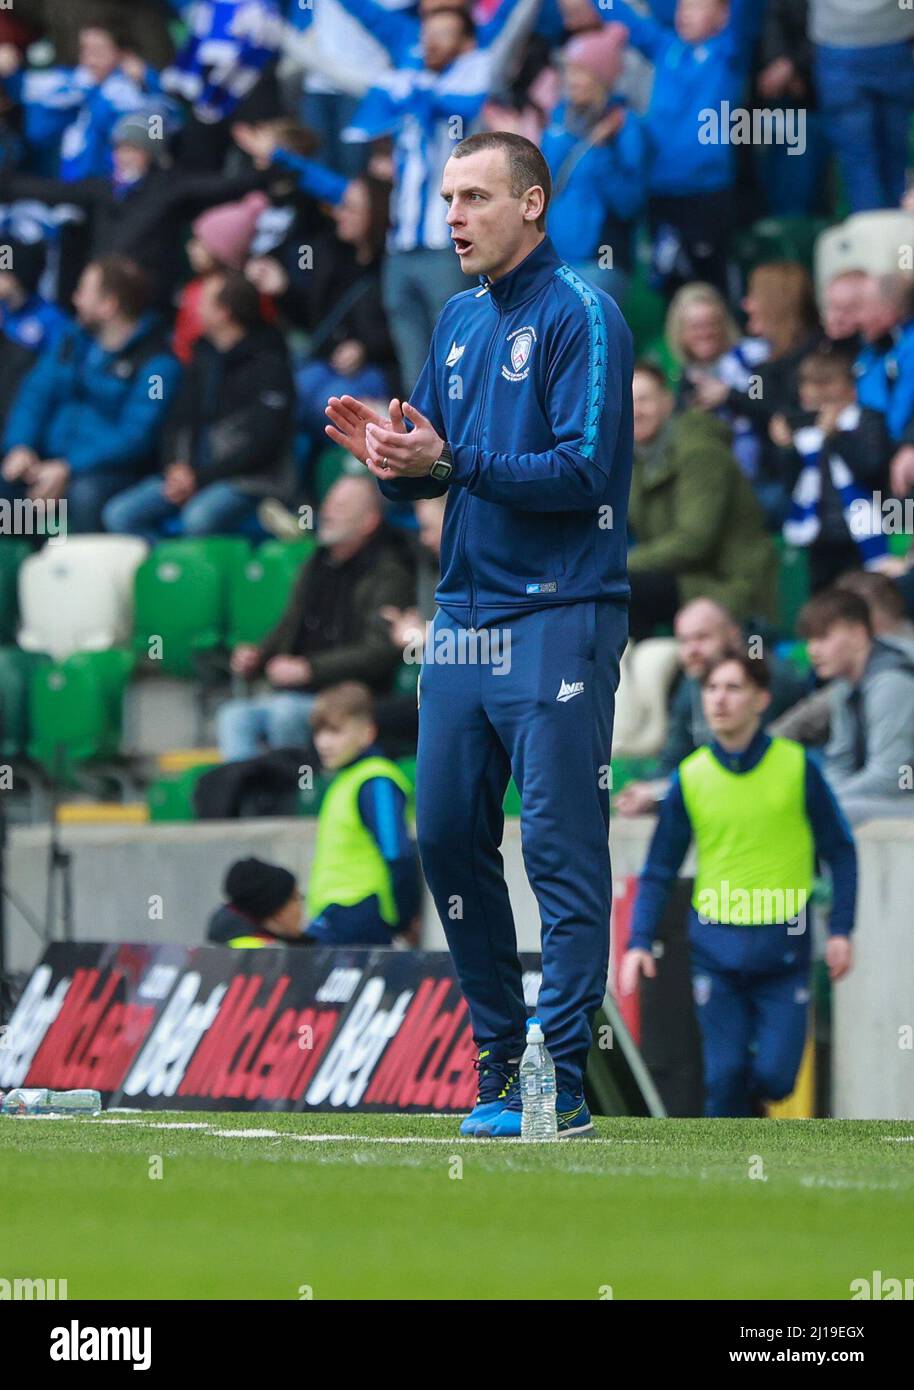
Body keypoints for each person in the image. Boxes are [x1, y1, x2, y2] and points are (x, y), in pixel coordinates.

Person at [325, 130, 634, 1139]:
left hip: (558, 608)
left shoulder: (582, 312)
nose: (450, 215)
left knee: (553, 839)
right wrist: (390, 455)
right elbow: (438, 458)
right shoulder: (456, 318)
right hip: (461, 618)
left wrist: (448, 462)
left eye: (472, 197)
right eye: (446, 197)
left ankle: (563, 1071)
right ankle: (497, 1057)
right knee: (446, 835)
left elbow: (583, 472)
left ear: (532, 204)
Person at [620, 650, 857, 1117]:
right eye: (710, 689)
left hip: (784, 950)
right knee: (722, 1077)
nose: (719, 700)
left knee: (775, 1077)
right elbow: (660, 868)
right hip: (715, 951)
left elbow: (840, 850)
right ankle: (728, 1178)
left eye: (733, 688)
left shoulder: (798, 768)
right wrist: (639, 940)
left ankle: (752, 1129)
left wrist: (842, 930)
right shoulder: (690, 777)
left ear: (761, 699)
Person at [217, 474, 416, 761]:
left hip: (350, 698)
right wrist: (258, 656)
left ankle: (296, 795)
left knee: (284, 712)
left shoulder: (388, 573)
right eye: (329, 502)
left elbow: (379, 651)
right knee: (232, 717)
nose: (328, 512)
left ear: (369, 521)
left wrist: (309, 669)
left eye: (342, 506)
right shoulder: (315, 564)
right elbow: (289, 625)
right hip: (297, 693)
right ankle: (248, 791)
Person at [103, 271, 295, 540]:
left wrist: (200, 478)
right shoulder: (201, 358)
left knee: (198, 518)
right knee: (119, 514)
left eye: (203, 302)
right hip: (190, 476)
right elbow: (176, 421)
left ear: (223, 313)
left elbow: (263, 443)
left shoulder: (270, 363)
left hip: (249, 481)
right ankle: (169, 574)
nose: (193, 308)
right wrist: (176, 467)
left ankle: (201, 578)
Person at [0, 254, 180, 532]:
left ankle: (82, 570)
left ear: (108, 305)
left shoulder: (158, 367)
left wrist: (69, 467)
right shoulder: (70, 342)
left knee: (85, 496)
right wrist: (20, 446)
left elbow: (136, 436)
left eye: (83, 291)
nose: (75, 299)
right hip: (44, 462)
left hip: (106, 473)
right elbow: (34, 395)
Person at [609, 0, 757, 298]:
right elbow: (625, 18)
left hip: (706, 193)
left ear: (723, 15)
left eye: (697, 7)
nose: (684, 14)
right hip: (660, 191)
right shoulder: (666, 48)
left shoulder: (728, 52)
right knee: (668, 278)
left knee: (711, 281)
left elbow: (746, 10)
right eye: (681, 7)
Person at [615, 596, 809, 816]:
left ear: (733, 636)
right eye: (684, 640)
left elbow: (746, 767)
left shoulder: (766, 679)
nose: (692, 650)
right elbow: (674, 760)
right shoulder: (690, 687)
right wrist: (645, 789)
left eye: (702, 637)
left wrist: (659, 793)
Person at [628, 362, 777, 639]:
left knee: (623, 585)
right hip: (682, 582)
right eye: (628, 401)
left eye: (644, 400)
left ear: (668, 403)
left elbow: (693, 542)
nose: (635, 411)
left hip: (727, 585)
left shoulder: (699, 451)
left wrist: (616, 564)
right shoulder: (635, 458)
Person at [305, 681, 422, 946]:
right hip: (332, 915)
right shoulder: (344, 779)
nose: (323, 742)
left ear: (367, 733)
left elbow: (398, 853)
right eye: (319, 732)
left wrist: (404, 917)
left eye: (335, 731)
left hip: (360, 915)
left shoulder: (376, 780)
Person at [540, 23, 648, 303]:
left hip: (600, 262)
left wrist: (602, 151)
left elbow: (629, 203)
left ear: (603, 78)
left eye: (581, 72)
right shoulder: (557, 121)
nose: (571, 80)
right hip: (554, 263)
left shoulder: (625, 126)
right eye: (569, 71)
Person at [797, 587, 914, 824]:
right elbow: (840, 762)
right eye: (809, 640)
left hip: (904, 796)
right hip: (886, 798)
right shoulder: (843, 686)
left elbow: (889, 778)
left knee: (841, 812)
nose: (812, 650)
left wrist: (822, 799)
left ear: (859, 635)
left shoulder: (892, 682)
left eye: (823, 638)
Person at [779, 348, 892, 590]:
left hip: (861, 534)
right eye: (810, 383)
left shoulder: (869, 420)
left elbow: (871, 470)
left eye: (826, 382)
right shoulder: (801, 428)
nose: (818, 391)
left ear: (850, 387)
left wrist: (836, 436)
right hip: (819, 537)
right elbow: (790, 486)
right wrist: (786, 448)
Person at [810, 0, 914, 213]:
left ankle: (872, 239)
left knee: (859, 163)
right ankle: (895, 239)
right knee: (894, 160)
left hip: (838, 42)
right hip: (894, 38)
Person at [854, 274, 914, 504]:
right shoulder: (877, 349)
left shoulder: (905, 347)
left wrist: (910, 445)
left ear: (888, 311)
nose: (857, 318)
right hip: (887, 462)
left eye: (863, 307)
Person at [0, 236, 69, 421]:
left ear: (16, 276)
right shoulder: (3, 313)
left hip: (25, 410)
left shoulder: (51, 318)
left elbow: (58, 368)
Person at [207, 856, 309, 948]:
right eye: (297, 899)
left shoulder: (225, 947)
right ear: (279, 911)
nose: (300, 908)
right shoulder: (265, 956)